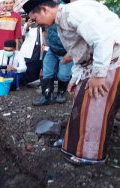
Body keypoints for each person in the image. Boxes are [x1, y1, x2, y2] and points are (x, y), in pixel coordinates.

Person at [23, 0, 120, 165]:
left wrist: (98, 75)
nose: (37, 24)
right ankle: (73, 145)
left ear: (44, 10)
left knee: (95, 107)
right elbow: (79, 53)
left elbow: (102, 39)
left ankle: (90, 155)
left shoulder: (73, 12)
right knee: (79, 103)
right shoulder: (61, 21)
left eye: (35, 18)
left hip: (111, 60)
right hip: (94, 64)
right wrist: (75, 78)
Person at [31, 0, 73, 106]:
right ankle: (46, 96)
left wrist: (71, 53)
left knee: (63, 75)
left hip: (66, 51)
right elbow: (44, 28)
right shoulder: (44, 8)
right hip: (51, 49)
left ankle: (61, 93)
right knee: (46, 72)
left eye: (35, 19)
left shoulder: (65, 9)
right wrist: (45, 41)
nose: (36, 23)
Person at [20, 17, 44, 85]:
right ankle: (25, 83)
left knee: (37, 64)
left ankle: (34, 82)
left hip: (40, 49)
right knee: (28, 66)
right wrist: (27, 25)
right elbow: (23, 33)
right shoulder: (29, 25)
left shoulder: (44, 25)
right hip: (29, 49)